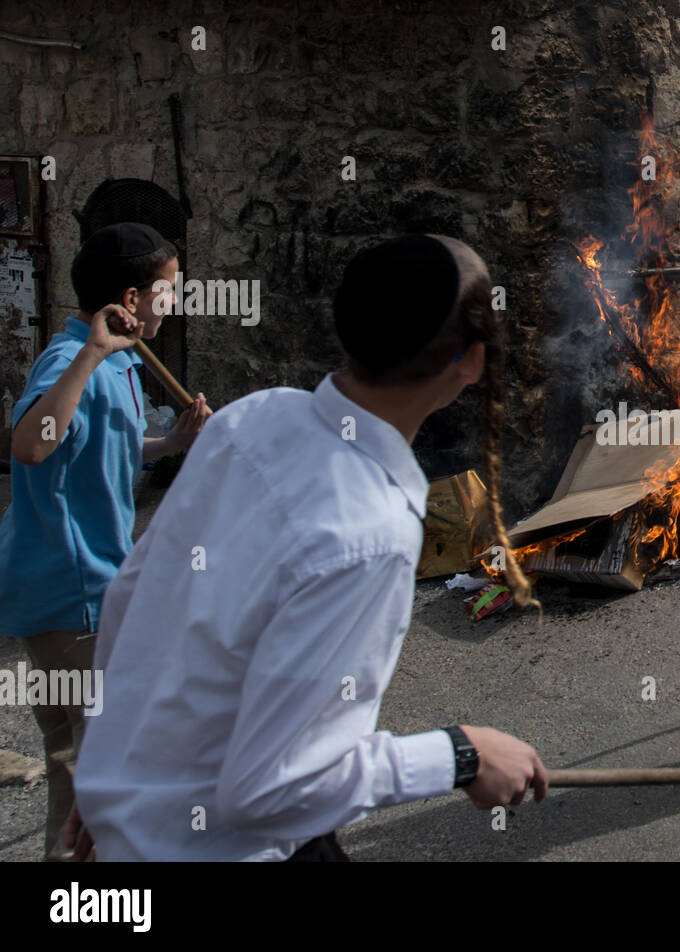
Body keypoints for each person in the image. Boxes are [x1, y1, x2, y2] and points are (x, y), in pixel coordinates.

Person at [70, 234, 547, 861]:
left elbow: (134, 598)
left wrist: (105, 768)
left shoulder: (252, 419)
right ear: (473, 361)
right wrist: (462, 754)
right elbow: (271, 787)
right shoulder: (369, 531)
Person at [0, 222, 210, 860]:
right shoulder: (73, 361)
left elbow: (105, 447)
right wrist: (91, 354)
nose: (173, 304)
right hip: (75, 597)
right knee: (101, 779)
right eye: (167, 292)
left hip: (79, 592)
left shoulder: (120, 362)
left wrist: (170, 443)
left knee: (74, 765)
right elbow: (32, 445)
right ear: (130, 296)